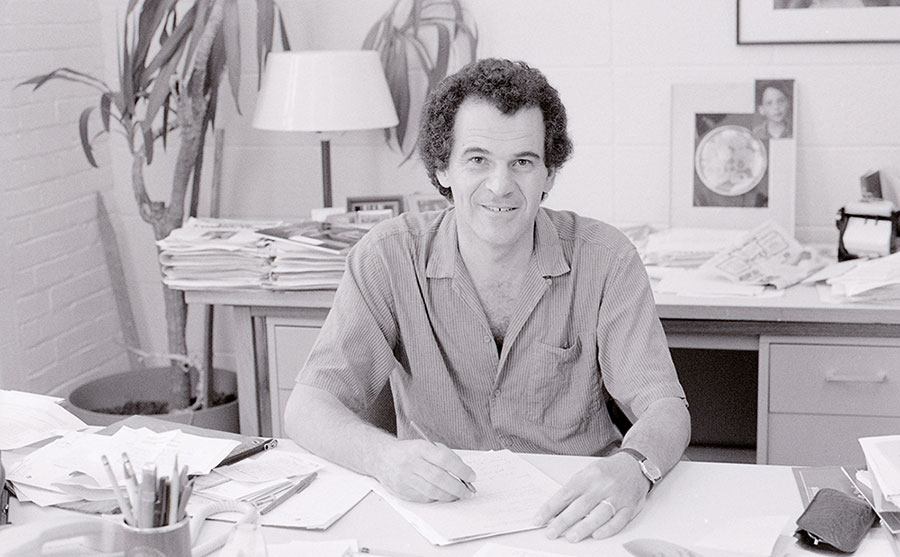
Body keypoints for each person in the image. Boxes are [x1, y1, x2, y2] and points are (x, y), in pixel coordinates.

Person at [284, 58, 690, 543]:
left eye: (523, 161)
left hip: (575, 515)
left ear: (550, 173)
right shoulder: (388, 257)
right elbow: (308, 406)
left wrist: (634, 467)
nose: (500, 185)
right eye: (478, 159)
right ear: (443, 167)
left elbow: (665, 406)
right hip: (440, 512)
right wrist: (384, 457)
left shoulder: (606, 260)